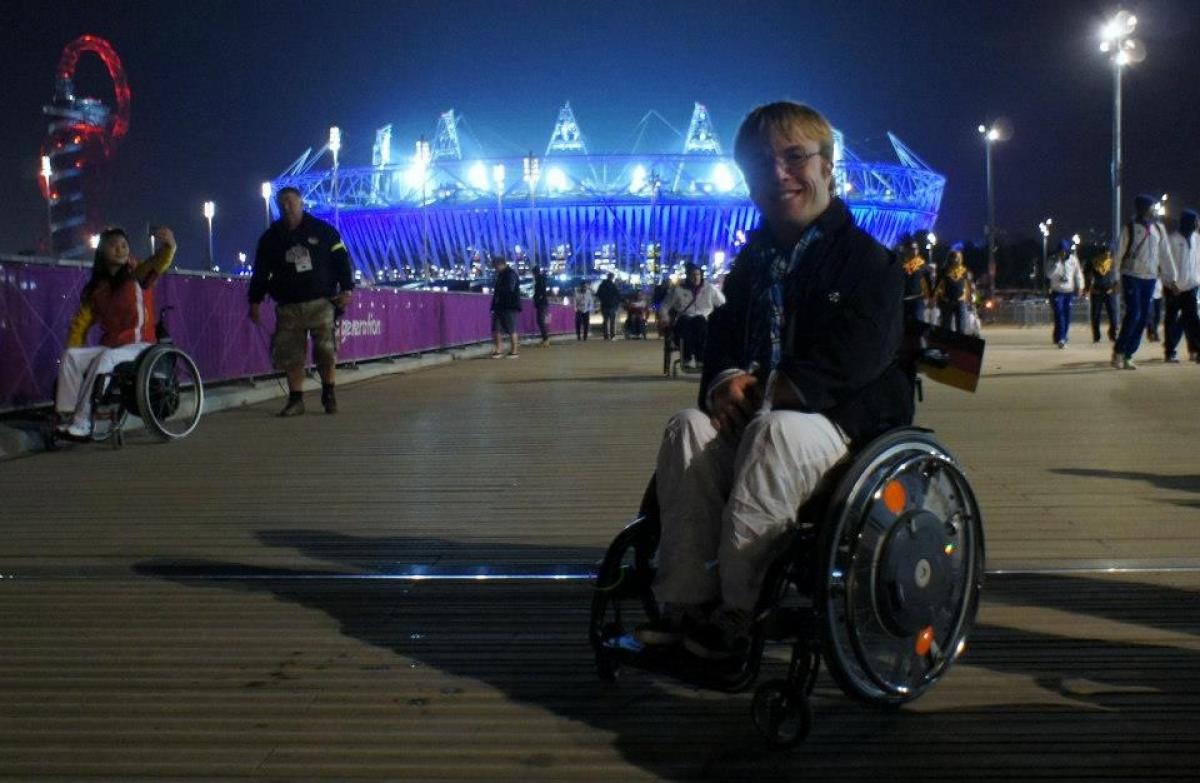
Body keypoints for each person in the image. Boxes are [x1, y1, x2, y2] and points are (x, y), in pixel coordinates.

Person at [637, 102, 911, 659]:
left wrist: (776, 390)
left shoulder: (868, 261)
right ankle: (685, 605)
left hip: (838, 427)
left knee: (776, 433)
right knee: (688, 428)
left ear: (828, 166)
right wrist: (723, 381)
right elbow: (722, 335)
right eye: (762, 164)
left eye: (794, 157)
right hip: (761, 418)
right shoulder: (752, 264)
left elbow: (861, 354)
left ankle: (739, 612)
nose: (779, 174)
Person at [54, 226, 177, 440]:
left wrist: (169, 246)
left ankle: (83, 422)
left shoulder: (136, 274)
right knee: (71, 357)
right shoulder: (97, 289)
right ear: (102, 252)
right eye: (114, 246)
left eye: (124, 245)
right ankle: (67, 416)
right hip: (113, 346)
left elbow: (158, 262)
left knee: (106, 357)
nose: (121, 250)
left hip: (140, 346)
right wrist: (76, 345)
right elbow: (80, 324)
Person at [249, 186, 354, 415]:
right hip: (288, 306)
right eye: (282, 203)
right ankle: (296, 400)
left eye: (290, 201)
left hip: (321, 303)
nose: (286, 207)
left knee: (325, 351)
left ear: (301, 202)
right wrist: (254, 301)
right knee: (291, 354)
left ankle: (329, 393)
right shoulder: (271, 238)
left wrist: (347, 289)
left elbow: (342, 260)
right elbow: (260, 272)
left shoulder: (324, 231)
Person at [1112, 194, 1173, 370]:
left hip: (1150, 278)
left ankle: (1129, 354)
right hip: (1131, 276)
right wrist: (1115, 279)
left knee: (1144, 317)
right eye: (1152, 207)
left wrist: (1172, 278)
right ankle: (1119, 351)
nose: (1155, 210)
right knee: (1134, 314)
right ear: (1143, 208)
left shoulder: (1159, 229)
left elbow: (1165, 255)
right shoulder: (1129, 228)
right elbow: (1118, 255)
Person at [661, 262, 726, 370]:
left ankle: (700, 359)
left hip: (702, 320)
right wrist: (665, 318)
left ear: (701, 275)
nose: (696, 277)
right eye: (693, 275)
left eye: (698, 274)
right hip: (684, 319)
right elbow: (664, 306)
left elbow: (722, 304)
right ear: (688, 276)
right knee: (686, 322)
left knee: (699, 321)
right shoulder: (678, 290)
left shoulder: (709, 288)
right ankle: (687, 358)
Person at [1163, 209, 1200, 363]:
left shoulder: (1197, 238)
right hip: (1174, 287)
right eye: (1196, 221)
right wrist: (1172, 282)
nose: (1198, 224)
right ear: (1188, 222)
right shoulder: (1171, 240)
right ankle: (1170, 351)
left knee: (1192, 319)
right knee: (1171, 319)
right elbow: (1165, 263)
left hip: (1191, 285)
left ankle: (1196, 350)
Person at [1046, 239, 1085, 347]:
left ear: (1068, 251)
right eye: (1060, 251)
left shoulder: (1073, 260)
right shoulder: (1052, 260)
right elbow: (1049, 275)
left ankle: (1061, 336)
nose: (1062, 253)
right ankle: (1061, 338)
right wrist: (1057, 263)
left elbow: (1078, 274)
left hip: (1069, 292)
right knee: (1059, 313)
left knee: (1067, 315)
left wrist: (1080, 287)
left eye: (1064, 251)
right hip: (1057, 291)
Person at [488, 255, 521, 358]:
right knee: (496, 328)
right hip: (499, 305)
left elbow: (509, 289)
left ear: (500, 264)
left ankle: (514, 351)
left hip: (509, 305)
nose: (495, 269)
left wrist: (499, 292)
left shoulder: (510, 274)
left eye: (495, 266)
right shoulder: (501, 274)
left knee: (511, 328)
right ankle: (499, 350)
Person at [934, 245, 972, 333]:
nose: (958, 259)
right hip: (947, 301)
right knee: (946, 326)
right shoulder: (943, 271)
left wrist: (969, 300)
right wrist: (937, 299)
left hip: (960, 301)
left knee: (961, 327)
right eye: (956, 257)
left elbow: (968, 286)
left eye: (959, 257)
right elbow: (937, 287)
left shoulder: (964, 271)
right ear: (950, 259)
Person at [1086, 249, 1120, 344]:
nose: (1107, 256)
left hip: (1110, 291)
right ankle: (1097, 336)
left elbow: (1118, 278)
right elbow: (1087, 276)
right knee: (1096, 315)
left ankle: (1113, 334)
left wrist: (1114, 289)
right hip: (1097, 292)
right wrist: (1089, 287)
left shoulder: (1113, 264)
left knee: (1113, 315)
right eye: (1105, 254)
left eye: (1109, 254)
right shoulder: (1093, 263)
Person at [901, 239, 932, 325]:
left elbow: (928, 282)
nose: (914, 251)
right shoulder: (900, 264)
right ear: (905, 249)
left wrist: (929, 298)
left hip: (917, 300)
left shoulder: (922, 265)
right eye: (911, 248)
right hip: (903, 300)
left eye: (916, 248)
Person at [596, 272, 622, 340]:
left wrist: (603, 300)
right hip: (612, 305)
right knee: (612, 321)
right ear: (612, 277)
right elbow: (618, 295)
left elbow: (598, 294)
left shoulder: (602, 285)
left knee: (605, 321)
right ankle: (612, 335)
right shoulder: (613, 286)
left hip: (604, 305)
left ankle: (605, 335)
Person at [532, 265, 551, 347]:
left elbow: (540, 291)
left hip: (541, 303)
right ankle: (545, 339)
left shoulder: (539, 280)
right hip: (542, 302)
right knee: (540, 321)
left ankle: (546, 339)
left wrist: (537, 298)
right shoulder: (541, 279)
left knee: (540, 321)